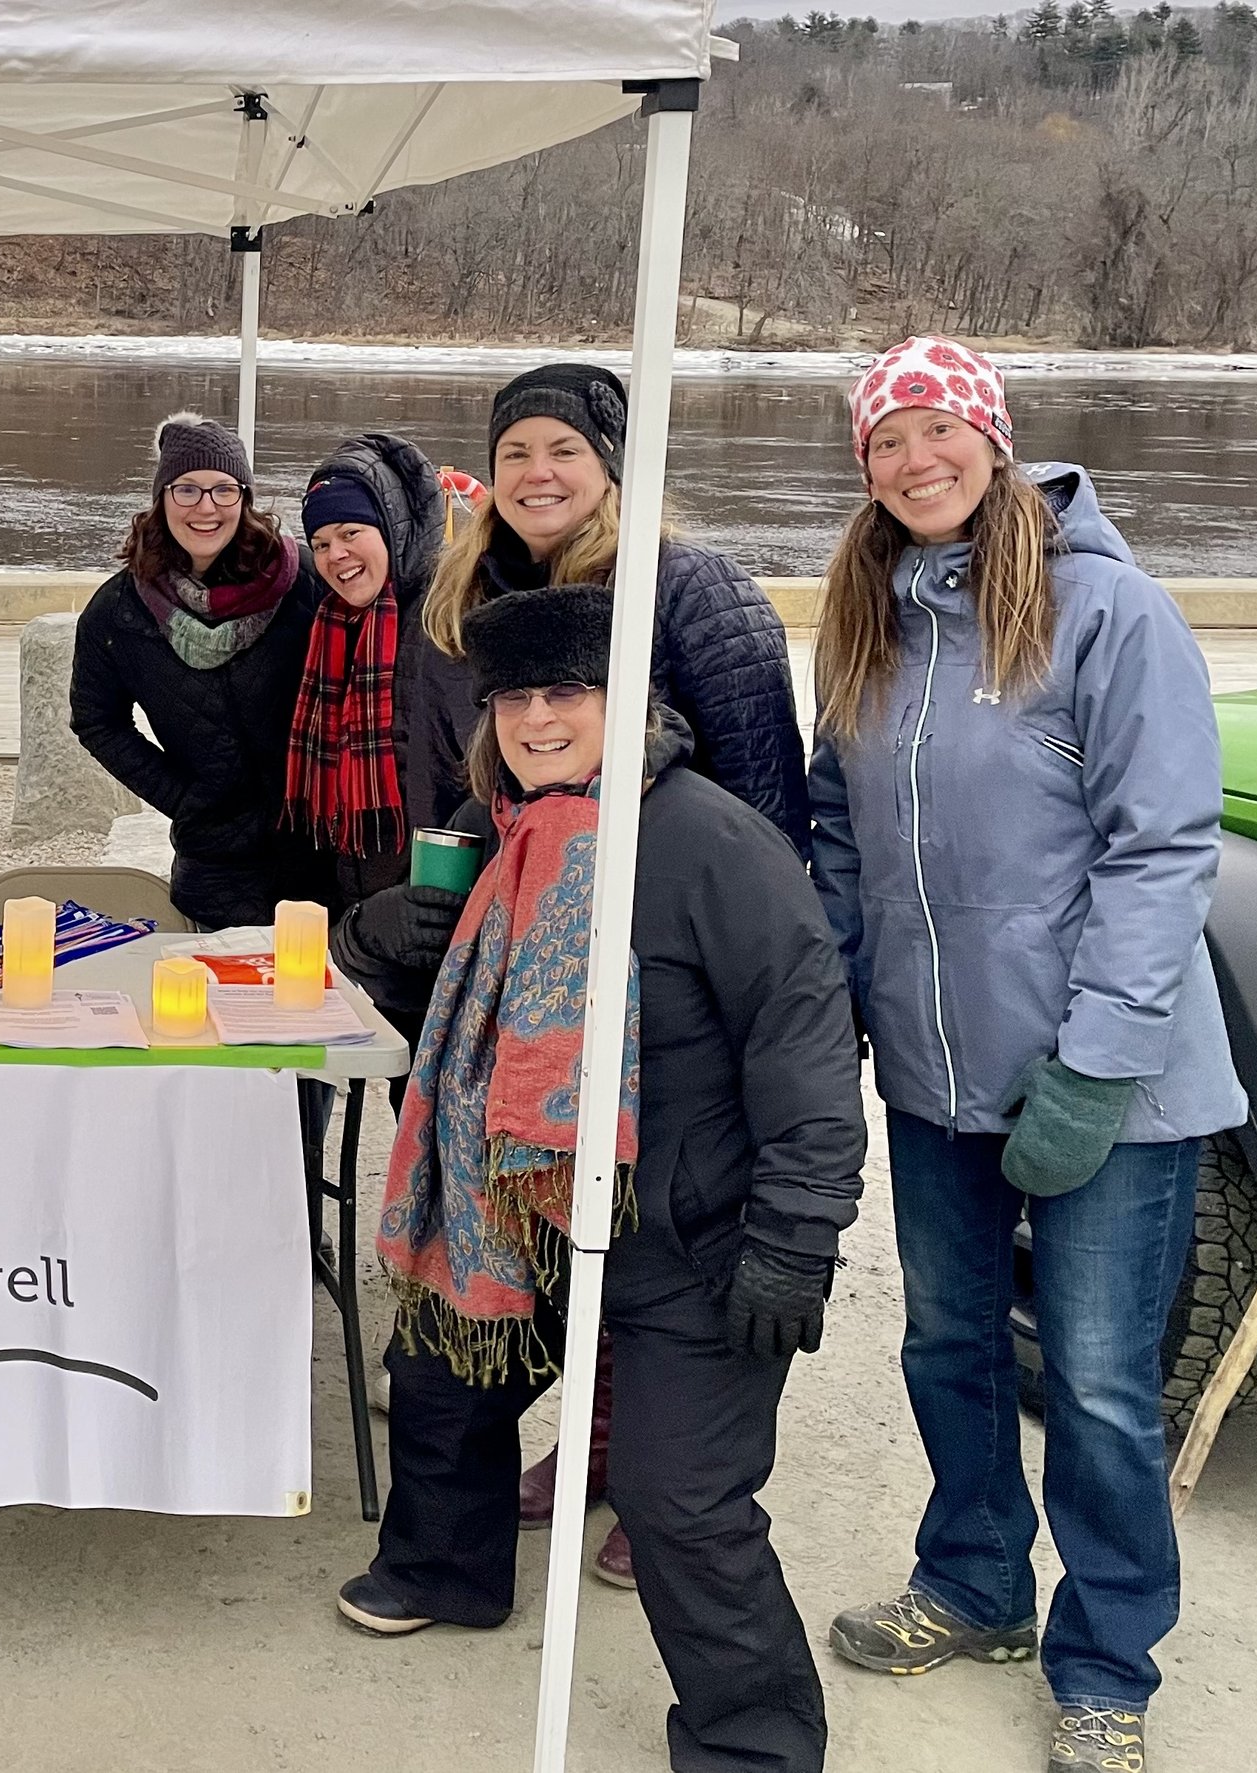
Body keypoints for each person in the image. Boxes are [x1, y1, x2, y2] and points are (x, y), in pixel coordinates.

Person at [333, 585, 862, 1773]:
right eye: (512, 696)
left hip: (692, 1238)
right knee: (435, 1371)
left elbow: (808, 1049)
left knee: (681, 1506)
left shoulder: (712, 844)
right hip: (531, 1212)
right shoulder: (493, 826)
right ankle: (448, 1571)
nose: (535, 716)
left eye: (564, 691)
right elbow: (461, 1029)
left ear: (628, 701)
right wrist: (382, 941)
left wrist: (796, 1238)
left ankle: (755, 1744)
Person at [811, 338, 1245, 1773]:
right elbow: (837, 834)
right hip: (936, 1079)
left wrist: (1098, 1066)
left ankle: (1108, 1661)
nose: (916, 459)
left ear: (994, 442)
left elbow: (1165, 848)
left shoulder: (1108, 614)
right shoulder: (869, 623)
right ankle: (977, 1583)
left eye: (940, 430)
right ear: (865, 470)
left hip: (1108, 1090)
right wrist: (835, 1003)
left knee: (1105, 1382)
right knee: (947, 1346)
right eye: (888, 442)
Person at [337, 362, 813, 1581]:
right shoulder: (471, 586)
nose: (536, 474)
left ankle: (632, 1469)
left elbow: (758, 802)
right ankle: (549, 1476)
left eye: (562, 450)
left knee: (638, 1235)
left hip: (665, 978)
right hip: (508, 965)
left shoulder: (689, 588)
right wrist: (423, 928)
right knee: (527, 1231)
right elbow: (450, 777)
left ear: (612, 463)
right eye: (514, 455)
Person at [71, 413, 333, 928]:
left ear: (245, 498)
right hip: (216, 860)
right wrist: (185, 798)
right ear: (162, 496)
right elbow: (96, 719)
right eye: (187, 489)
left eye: (223, 490)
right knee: (218, 998)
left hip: (322, 848)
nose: (206, 507)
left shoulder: (303, 581)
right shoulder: (119, 611)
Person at [281, 433, 445, 917]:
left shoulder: (446, 619)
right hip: (354, 887)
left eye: (351, 533)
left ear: (392, 531)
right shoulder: (333, 625)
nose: (335, 555)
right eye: (321, 543)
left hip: (428, 895)